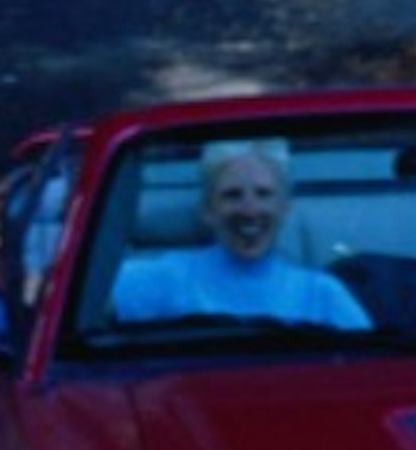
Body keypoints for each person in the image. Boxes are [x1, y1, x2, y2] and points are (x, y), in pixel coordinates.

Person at [104, 135, 370, 331]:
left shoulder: (321, 293)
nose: (249, 209)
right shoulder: (167, 276)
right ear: (208, 210)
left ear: (285, 207)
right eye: (232, 195)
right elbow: (80, 306)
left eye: (264, 194)